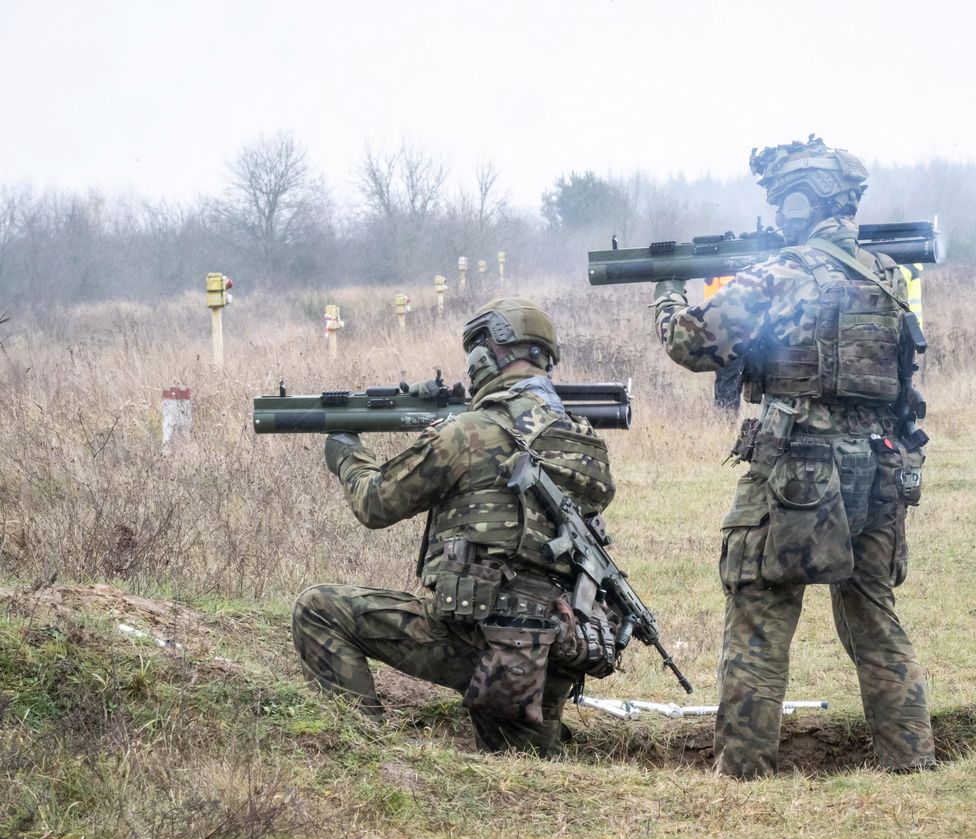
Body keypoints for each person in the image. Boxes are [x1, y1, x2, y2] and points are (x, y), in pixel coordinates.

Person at [651, 137, 936, 778]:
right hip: (880, 467)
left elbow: (694, 348)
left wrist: (668, 293)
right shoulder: (887, 276)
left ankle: (744, 772)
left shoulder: (779, 273)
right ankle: (912, 759)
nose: (777, 215)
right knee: (873, 613)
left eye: (782, 202)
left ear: (803, 202)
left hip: (799, 468)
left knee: (758, 606)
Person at [292, 297, 619, 757]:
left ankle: (364, 757)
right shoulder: (583, 442)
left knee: (319, 609)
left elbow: (374, 503)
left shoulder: (466, 433)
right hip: (558, 646)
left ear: (486, 354)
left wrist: (346, 451)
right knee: (521, 772)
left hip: (481, 641)